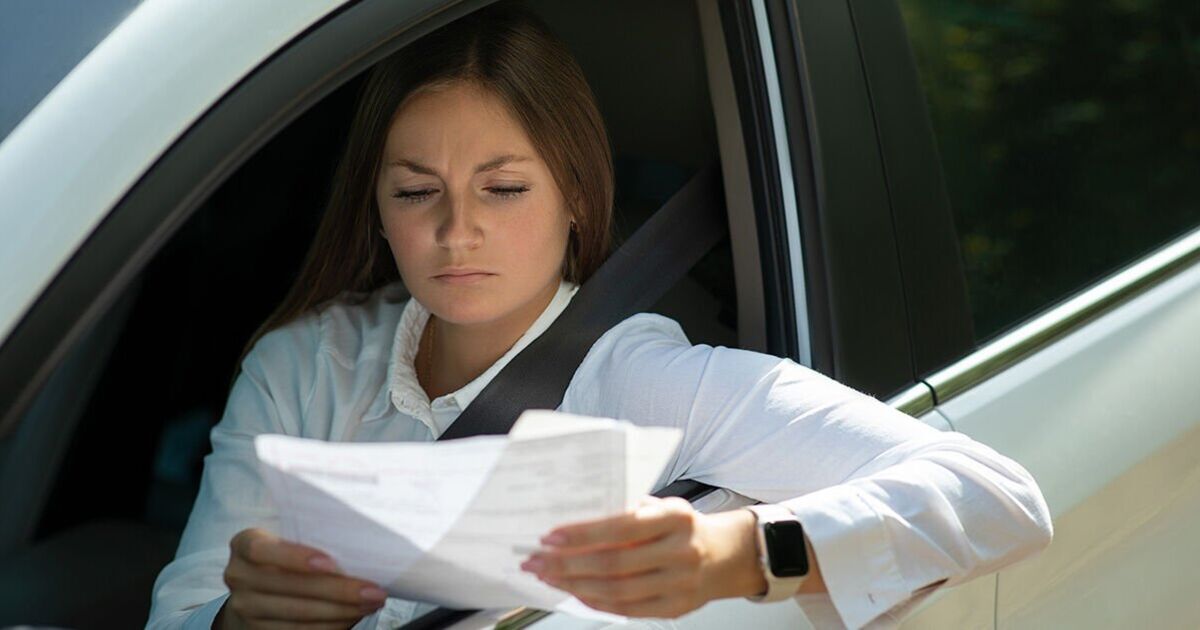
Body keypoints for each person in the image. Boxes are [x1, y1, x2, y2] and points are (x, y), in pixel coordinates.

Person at [147, 4, 1052, 629]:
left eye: (502, 189)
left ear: (577, 195)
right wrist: (242, 617)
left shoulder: (643, 379)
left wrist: (733, 553)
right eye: (417, 191)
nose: (457, 230)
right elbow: (180, 612)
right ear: (376, 207)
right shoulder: (305, 366)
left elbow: (997, 496)